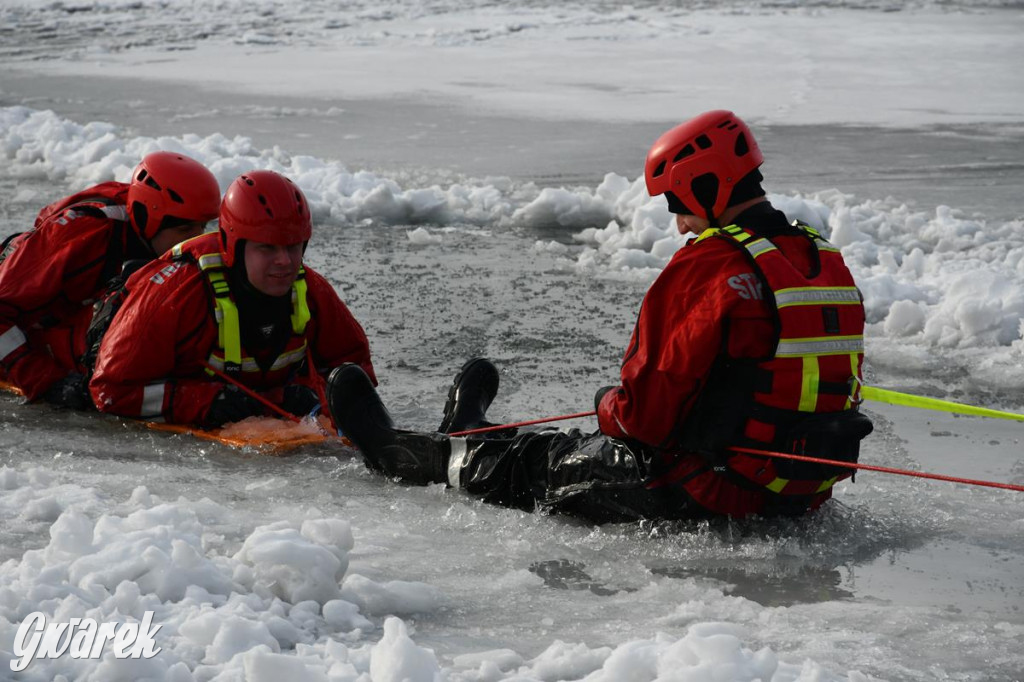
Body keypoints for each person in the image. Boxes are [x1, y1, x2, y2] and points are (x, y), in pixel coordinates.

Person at [326, 110, 873, 523]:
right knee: (566, 449)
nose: (681, 224)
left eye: (678, 203)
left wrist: (607, 405)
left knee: (536, 464)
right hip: (794, 494)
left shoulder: (709, 266)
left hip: (702, 492)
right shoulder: (824, 260)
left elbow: (643, 421)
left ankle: (397, 453)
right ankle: (470, 429)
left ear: (707, 186)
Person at [88, 170, 375, 429]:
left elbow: (356, 371)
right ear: (232, 247)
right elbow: (111, 392)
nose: (285, 261)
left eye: (293, 246)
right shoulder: (175, 294)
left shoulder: (312, 289)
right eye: (267, 248)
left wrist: (315, 397)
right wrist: (210, 403)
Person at [0, 151, 220, 409]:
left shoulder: (157, 241)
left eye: (202, 227)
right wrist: (45, 379)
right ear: (146, 216)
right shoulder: (82, 235)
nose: (194, 240)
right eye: (184, 230)